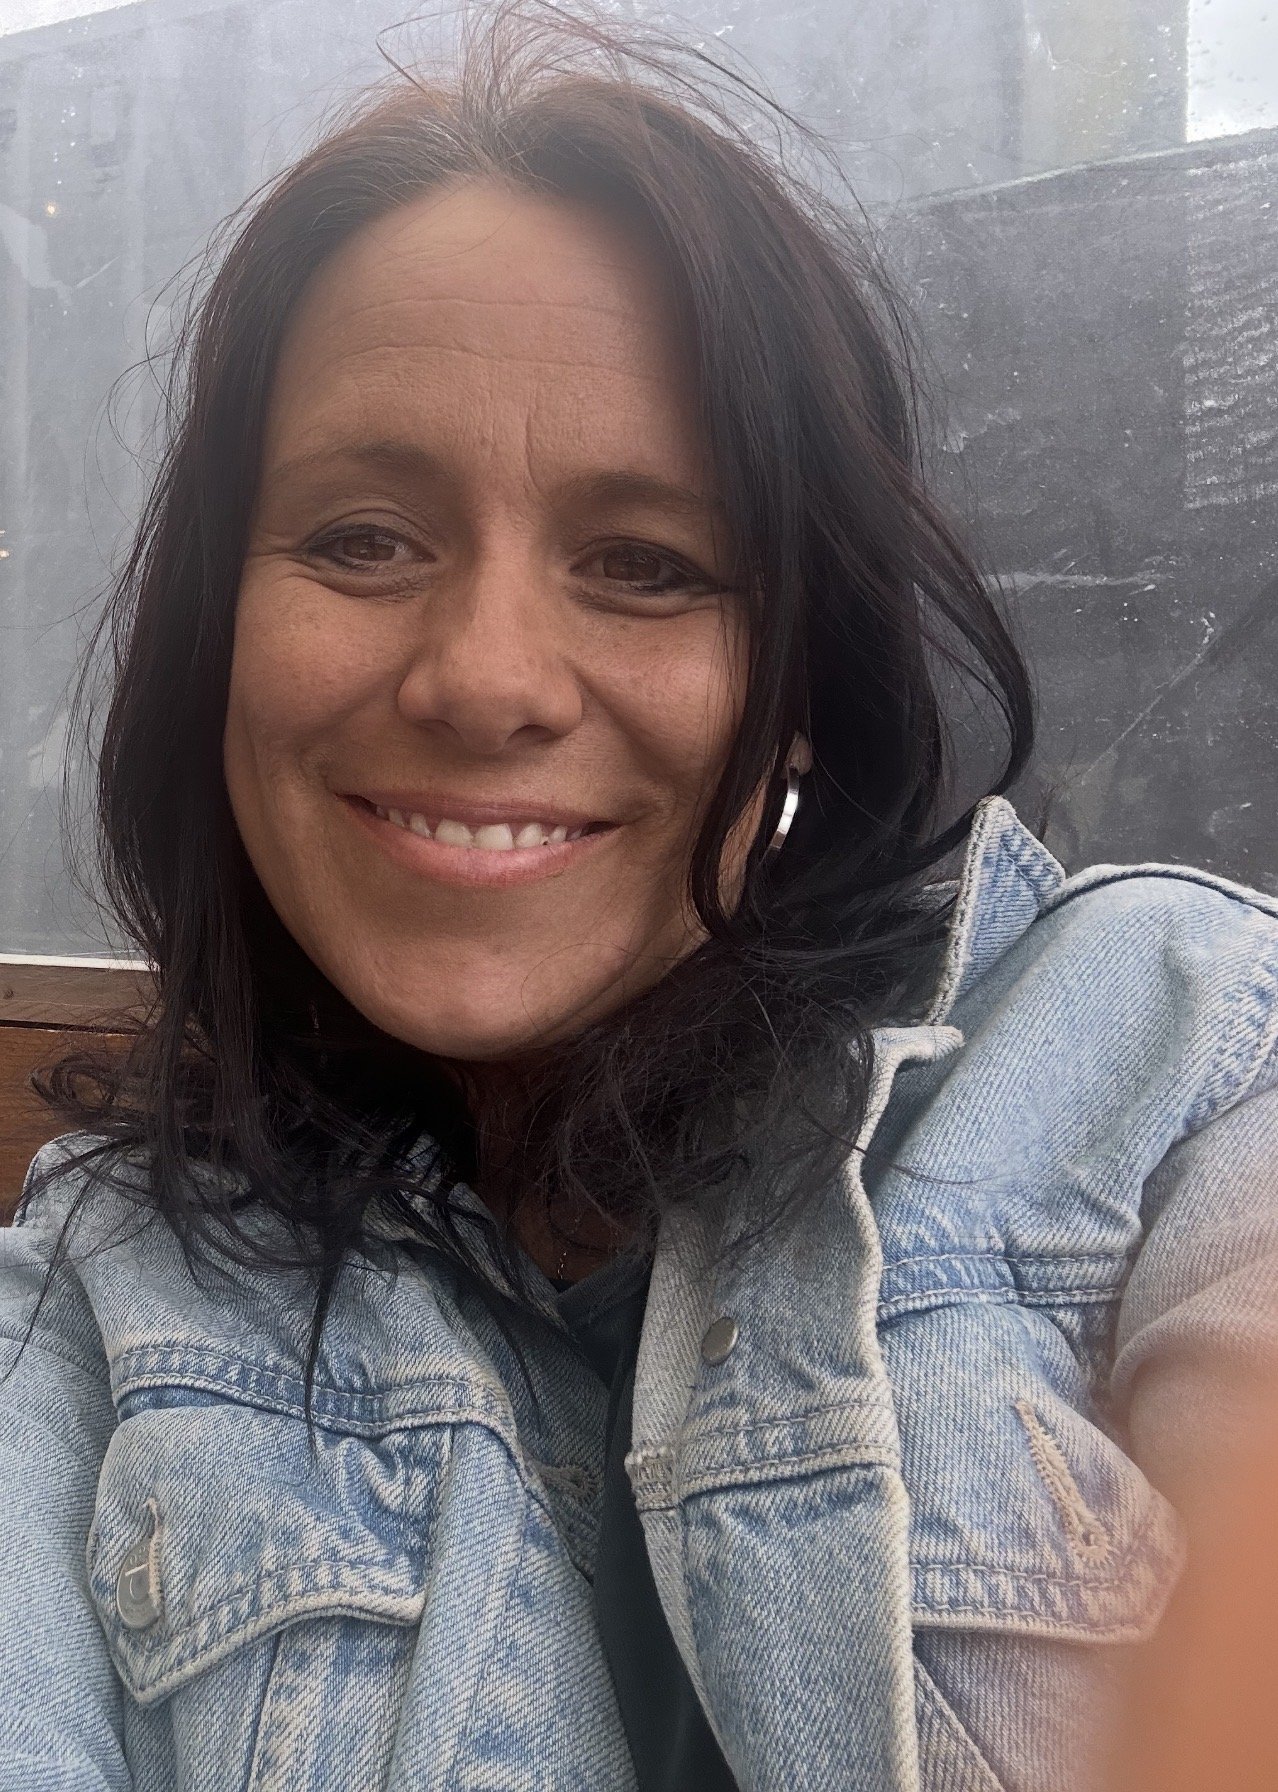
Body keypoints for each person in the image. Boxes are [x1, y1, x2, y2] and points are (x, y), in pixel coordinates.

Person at [2, 6, 1276, 1788]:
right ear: (217, 629)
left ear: (807, 678)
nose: (484, 677)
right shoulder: (90, 1306)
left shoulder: (1181, 1060)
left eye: (645, 563)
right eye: (365, 538)